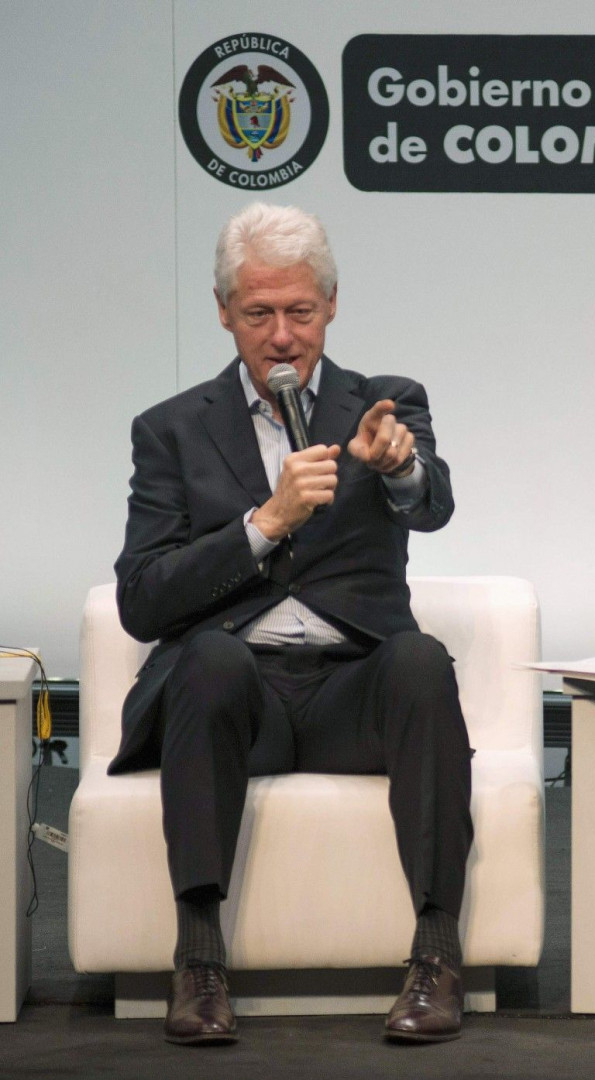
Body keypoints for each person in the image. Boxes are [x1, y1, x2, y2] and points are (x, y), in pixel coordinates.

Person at [109, 203, 474, 1046]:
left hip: (355, 693)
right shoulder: (170, 430)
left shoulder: (383, 405)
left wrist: (402, 468)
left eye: (300, 313)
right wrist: (262, 524)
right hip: (239, 702)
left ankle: (436, 959)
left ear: (332, 305)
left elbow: (436, 506)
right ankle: (198, 962)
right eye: (258, 314)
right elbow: (143, 597)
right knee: (206, 659)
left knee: (421, 660)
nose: (281, 337)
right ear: (223, 310)